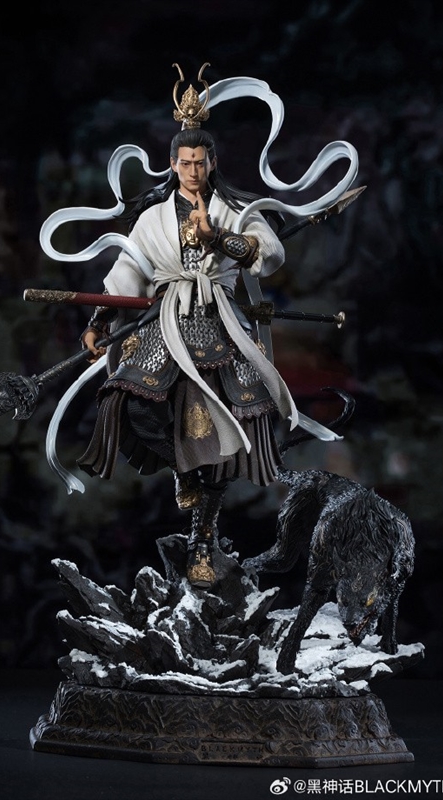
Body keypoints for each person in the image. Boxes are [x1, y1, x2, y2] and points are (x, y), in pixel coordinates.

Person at [76, 120, 297, 589]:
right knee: (130, 402)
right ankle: (184, 470)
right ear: (173, 164)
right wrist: (99, 321)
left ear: (212, 163)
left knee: (221, 437)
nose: (193, 171)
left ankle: (202, 543)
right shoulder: (153, 217)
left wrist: (217, 237)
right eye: (185, 163)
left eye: (200, 162)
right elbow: (128, 272)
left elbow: (269, 253)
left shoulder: (234, 209)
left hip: (220, 324)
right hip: (166, 322)